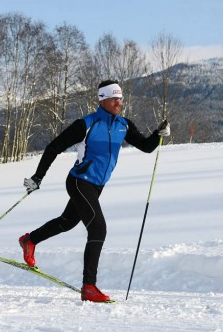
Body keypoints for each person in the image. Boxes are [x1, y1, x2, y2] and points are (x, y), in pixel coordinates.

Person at [18, 79, 170, 302]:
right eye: (114, 98)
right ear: (103, 99)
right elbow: (53, 147)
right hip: (80, 182)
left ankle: (30, 240)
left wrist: (158, 134)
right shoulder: (86, 124)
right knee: (98, 229)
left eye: (121, 98)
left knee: (67, 222)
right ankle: (89, 286)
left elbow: (146, 147)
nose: (119, 102)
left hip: (97, 186)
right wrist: (37, 177)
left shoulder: (123, 125)